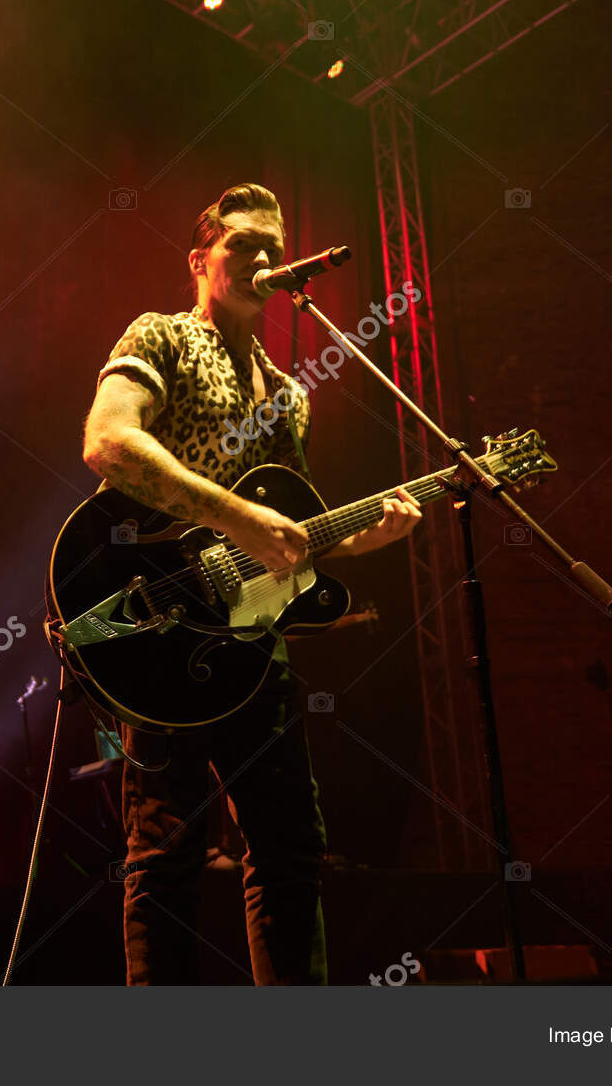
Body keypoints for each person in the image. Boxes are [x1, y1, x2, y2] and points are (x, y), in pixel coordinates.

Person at [79, 182, 421, 984]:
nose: (263, 257)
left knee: (291, 848)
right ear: (200, 260)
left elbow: (290, 537)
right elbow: (107, 441)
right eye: (242, 243)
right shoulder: (161, 335)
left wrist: (363, 537)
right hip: (162, 626)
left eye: (273, 246)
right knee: (167, 847)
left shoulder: (288, 395)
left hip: (254, 648)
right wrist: (235, 516)